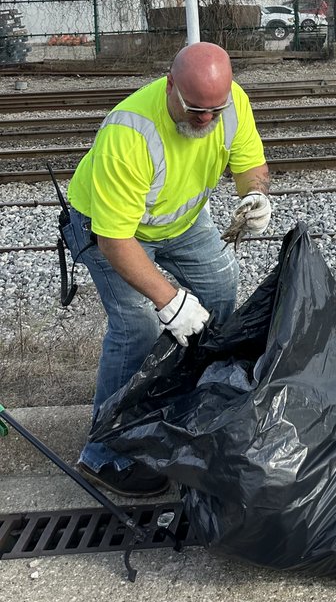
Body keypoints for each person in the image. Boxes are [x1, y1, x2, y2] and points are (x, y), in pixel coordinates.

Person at [64, 41, 272, 497]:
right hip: (109, 230)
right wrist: (170, 301)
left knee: (221, 287)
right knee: (137, 325)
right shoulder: (129, 132)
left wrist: (255, 195)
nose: (205, 119)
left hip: (182, 220)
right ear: (170, 85)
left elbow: (251, 164)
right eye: (195, 110)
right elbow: (115, 241)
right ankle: (103, 454)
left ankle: (192, 400)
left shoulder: (231, 103)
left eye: (214, 110)